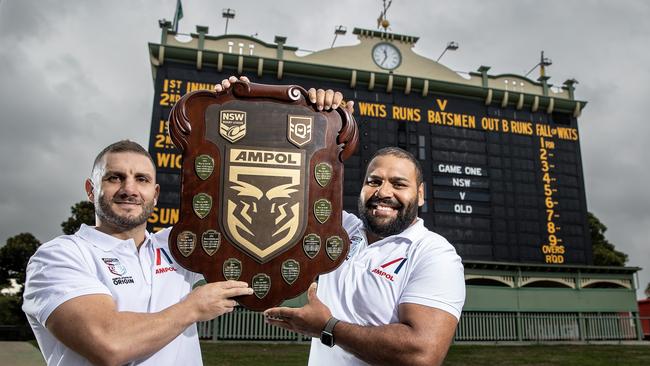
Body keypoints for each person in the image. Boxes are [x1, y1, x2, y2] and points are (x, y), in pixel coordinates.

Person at [22, 139, 254, 366]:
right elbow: (109, 344)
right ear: (91, 190)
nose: (129, 190)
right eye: (115, 177)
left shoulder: (177, 245)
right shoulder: (59, 256)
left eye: (141, 179)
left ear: (155, 194)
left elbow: (246, 214)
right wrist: (193, 308)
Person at [265, 146, 466, 366]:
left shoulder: (434, 254)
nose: (383, 192)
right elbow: (283, 182)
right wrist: (325, 113)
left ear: (420, 195)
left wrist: (328, 327)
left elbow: (421, 355)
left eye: (398, 184)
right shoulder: (339, 229)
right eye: (374, 181)